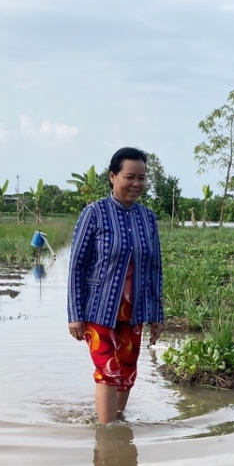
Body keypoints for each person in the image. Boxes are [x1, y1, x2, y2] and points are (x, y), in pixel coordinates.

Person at [67, 147, 164, 424]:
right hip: (99, 309)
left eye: (142, 178)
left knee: (127, 371)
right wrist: (75, 314)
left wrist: (157, 314)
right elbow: (77, 266)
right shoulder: (94, 213)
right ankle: (107, 435)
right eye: (130, 177)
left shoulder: (147, 218)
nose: (137, 184)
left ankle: (116, 420)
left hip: (134, 310)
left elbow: (155, 268)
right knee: (108, 370)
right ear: (112, 176)